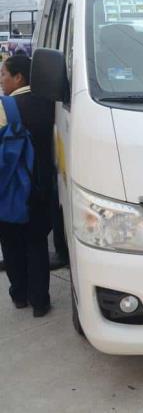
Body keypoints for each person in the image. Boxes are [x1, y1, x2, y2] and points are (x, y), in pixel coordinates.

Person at [0, 55, 55, 317]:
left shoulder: (5, 107)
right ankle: (40, 301)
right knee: (37, 244)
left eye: (3, 74)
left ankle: (19, 295)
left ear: (19, 77)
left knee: (11, 244)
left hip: (10, 190)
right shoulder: (50, 104)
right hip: (42, 187)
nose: (1, 80)